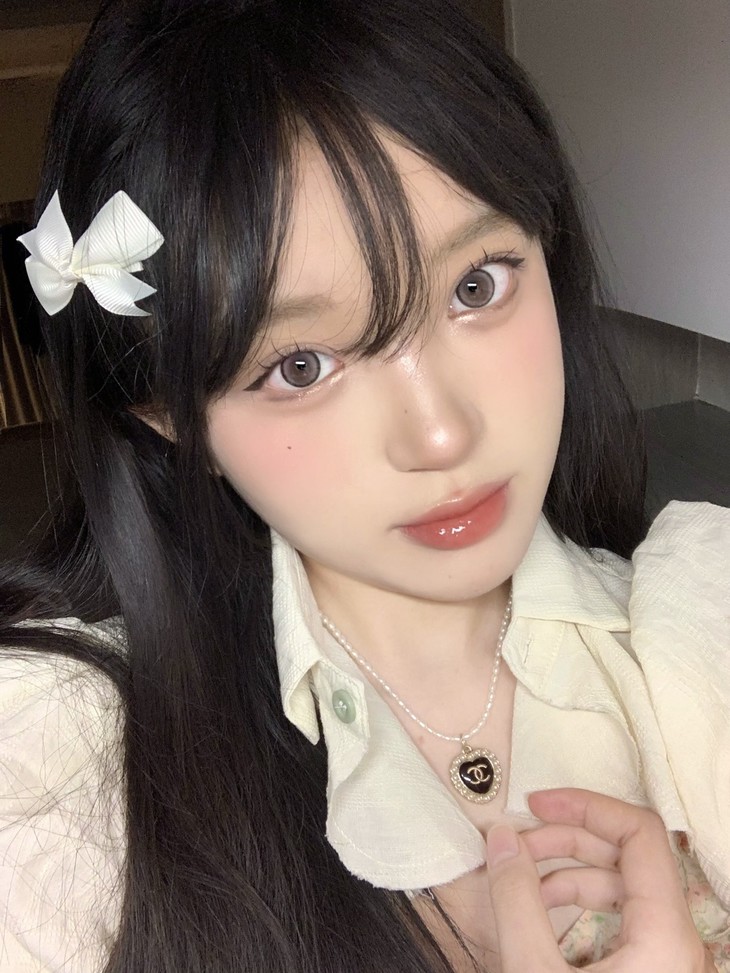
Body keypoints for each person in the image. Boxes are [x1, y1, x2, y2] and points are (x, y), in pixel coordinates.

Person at [0, 0, 728, 970]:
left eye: (476, 285)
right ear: (173, 418)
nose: (442, 433)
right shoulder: (52, 761)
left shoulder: (699, 615)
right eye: (299, 365)